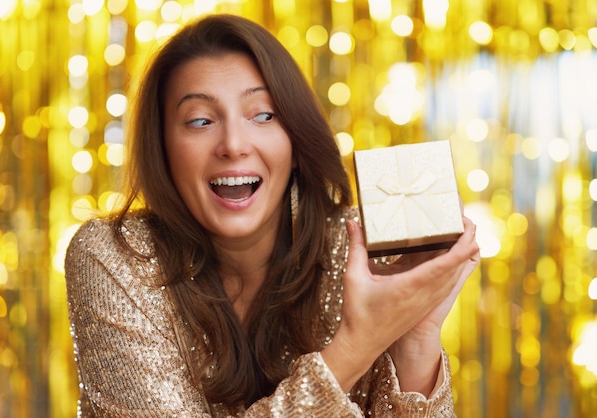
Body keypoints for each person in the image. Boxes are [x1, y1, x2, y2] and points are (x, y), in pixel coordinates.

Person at [64, 13, 480, 417]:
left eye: (263, 115)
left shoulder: (357, 250)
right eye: (200, 120)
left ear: (296, 141)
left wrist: (415, 337)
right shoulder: (115, 257)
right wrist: (357, 345)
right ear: (163, 148)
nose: (233, 144)